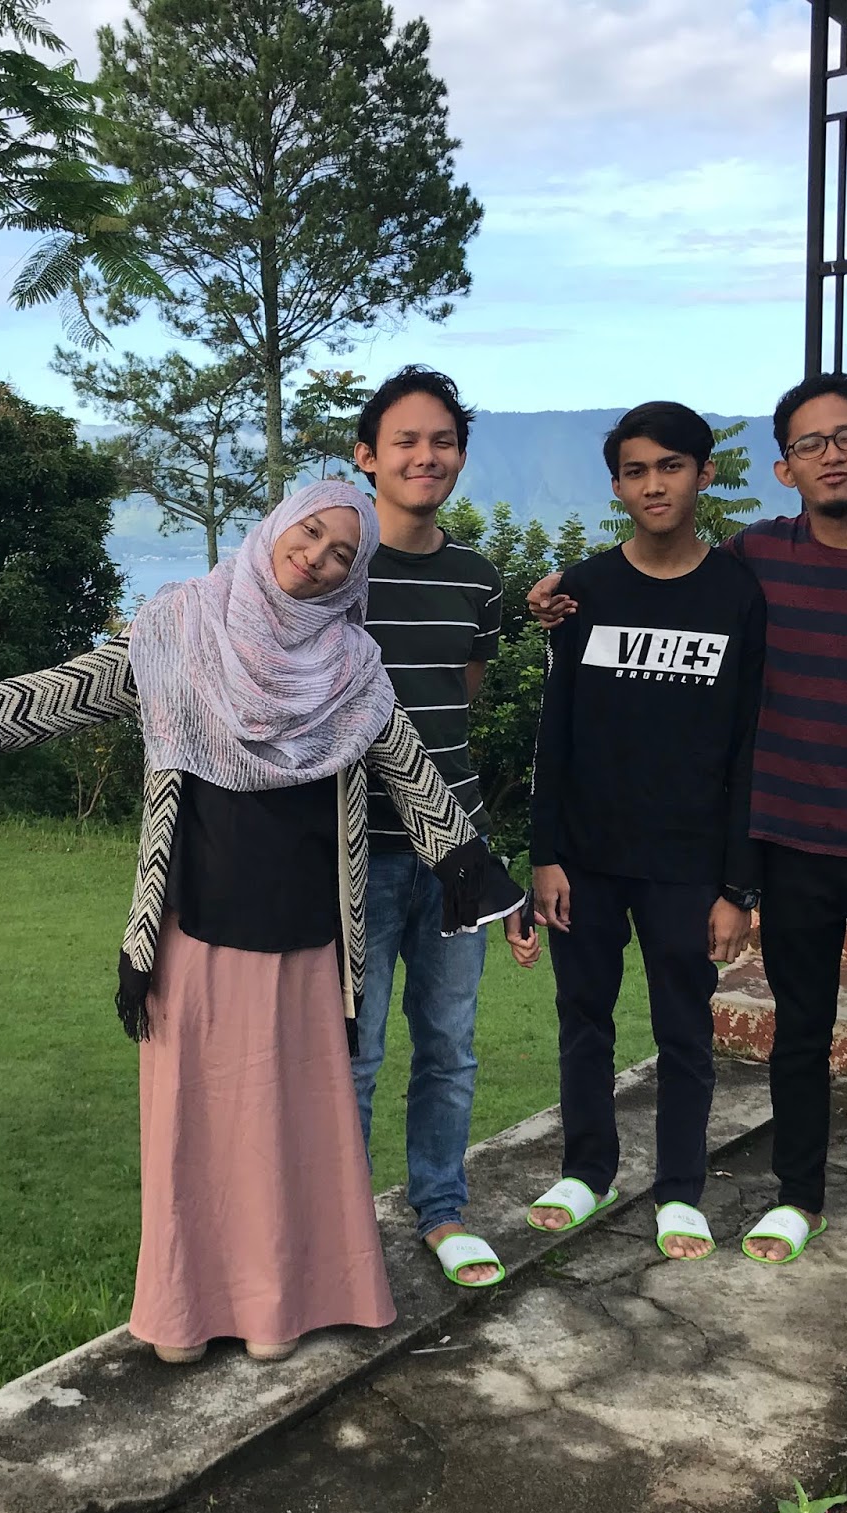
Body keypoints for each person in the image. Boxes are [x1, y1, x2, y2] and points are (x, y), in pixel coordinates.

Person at [0, 481, 526, 1367]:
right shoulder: (179, 626)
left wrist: (481, 878)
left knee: (289, 1122)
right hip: (191, 924)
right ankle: (184, 1312)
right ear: (277, 527)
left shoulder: (354, 669)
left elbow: (415, 777)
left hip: (307, 937)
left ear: (354, 579)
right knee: (194, 1121)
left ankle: (278, 1310)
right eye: (311, 532)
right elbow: (68, 691)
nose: (317, 557)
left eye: (343, 555)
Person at [528, 374, 847, 1296]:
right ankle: (787, 1196)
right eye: (810, 444)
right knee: (791, 1034)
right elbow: (582, 691)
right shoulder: (723, 565)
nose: (831, 456)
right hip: (766, 847)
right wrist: (558, 597)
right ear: (785, 468)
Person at [511, 402, 765, 1262]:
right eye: (635, 471)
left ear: (704, 474)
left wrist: (736, 887)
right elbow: (556, 733)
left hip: (687, 864)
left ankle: (681, 1189)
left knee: (684, 1030)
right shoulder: (584, 591)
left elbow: (747, 748)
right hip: (586, 857)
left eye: (671, 466)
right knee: (583, 1017)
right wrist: (545, 855)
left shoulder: (737, 595)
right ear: (617, 485)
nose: (654, 485)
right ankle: (587, 1170)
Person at [349, 366, 510, 1289]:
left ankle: (442, 1209)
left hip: (458, 855)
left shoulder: (477, 579)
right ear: (366, 457)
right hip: (354, 854)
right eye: (405, 440)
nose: (426, 455)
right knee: (355, 1053)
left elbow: (460, 697)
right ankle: (341, 1229)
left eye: (442, 441)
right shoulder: (334, 566)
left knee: (449, 1048)